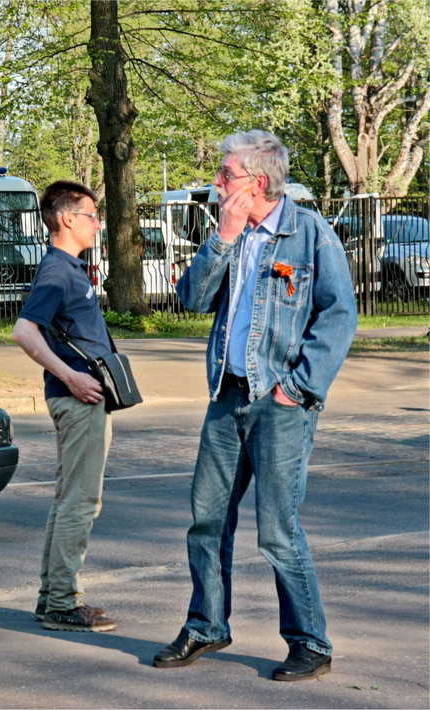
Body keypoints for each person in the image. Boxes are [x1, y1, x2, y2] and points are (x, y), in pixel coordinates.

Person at [154, 130, 357, 681]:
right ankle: (206, 626)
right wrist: (222, 237)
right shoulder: (231, 234)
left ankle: (310, 642)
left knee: (277, 530)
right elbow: (192, 300)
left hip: (281, 404)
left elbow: (339, 317)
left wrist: (299, 387)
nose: (217, 184)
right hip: (227, 398)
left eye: (226, 176)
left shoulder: (309, 233)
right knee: (207, 520)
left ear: (258, 182)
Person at [11, 180, 116, 633]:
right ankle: (61, 603)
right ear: (68, 218)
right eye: (92, 216)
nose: (98, 224)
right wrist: (70, 376)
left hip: (79, 399)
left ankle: (52, 598)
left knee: (68, 500)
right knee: (80, 502)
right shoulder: (57, 271)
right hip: (77, 401)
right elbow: (24, 332)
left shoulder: (68, 268)